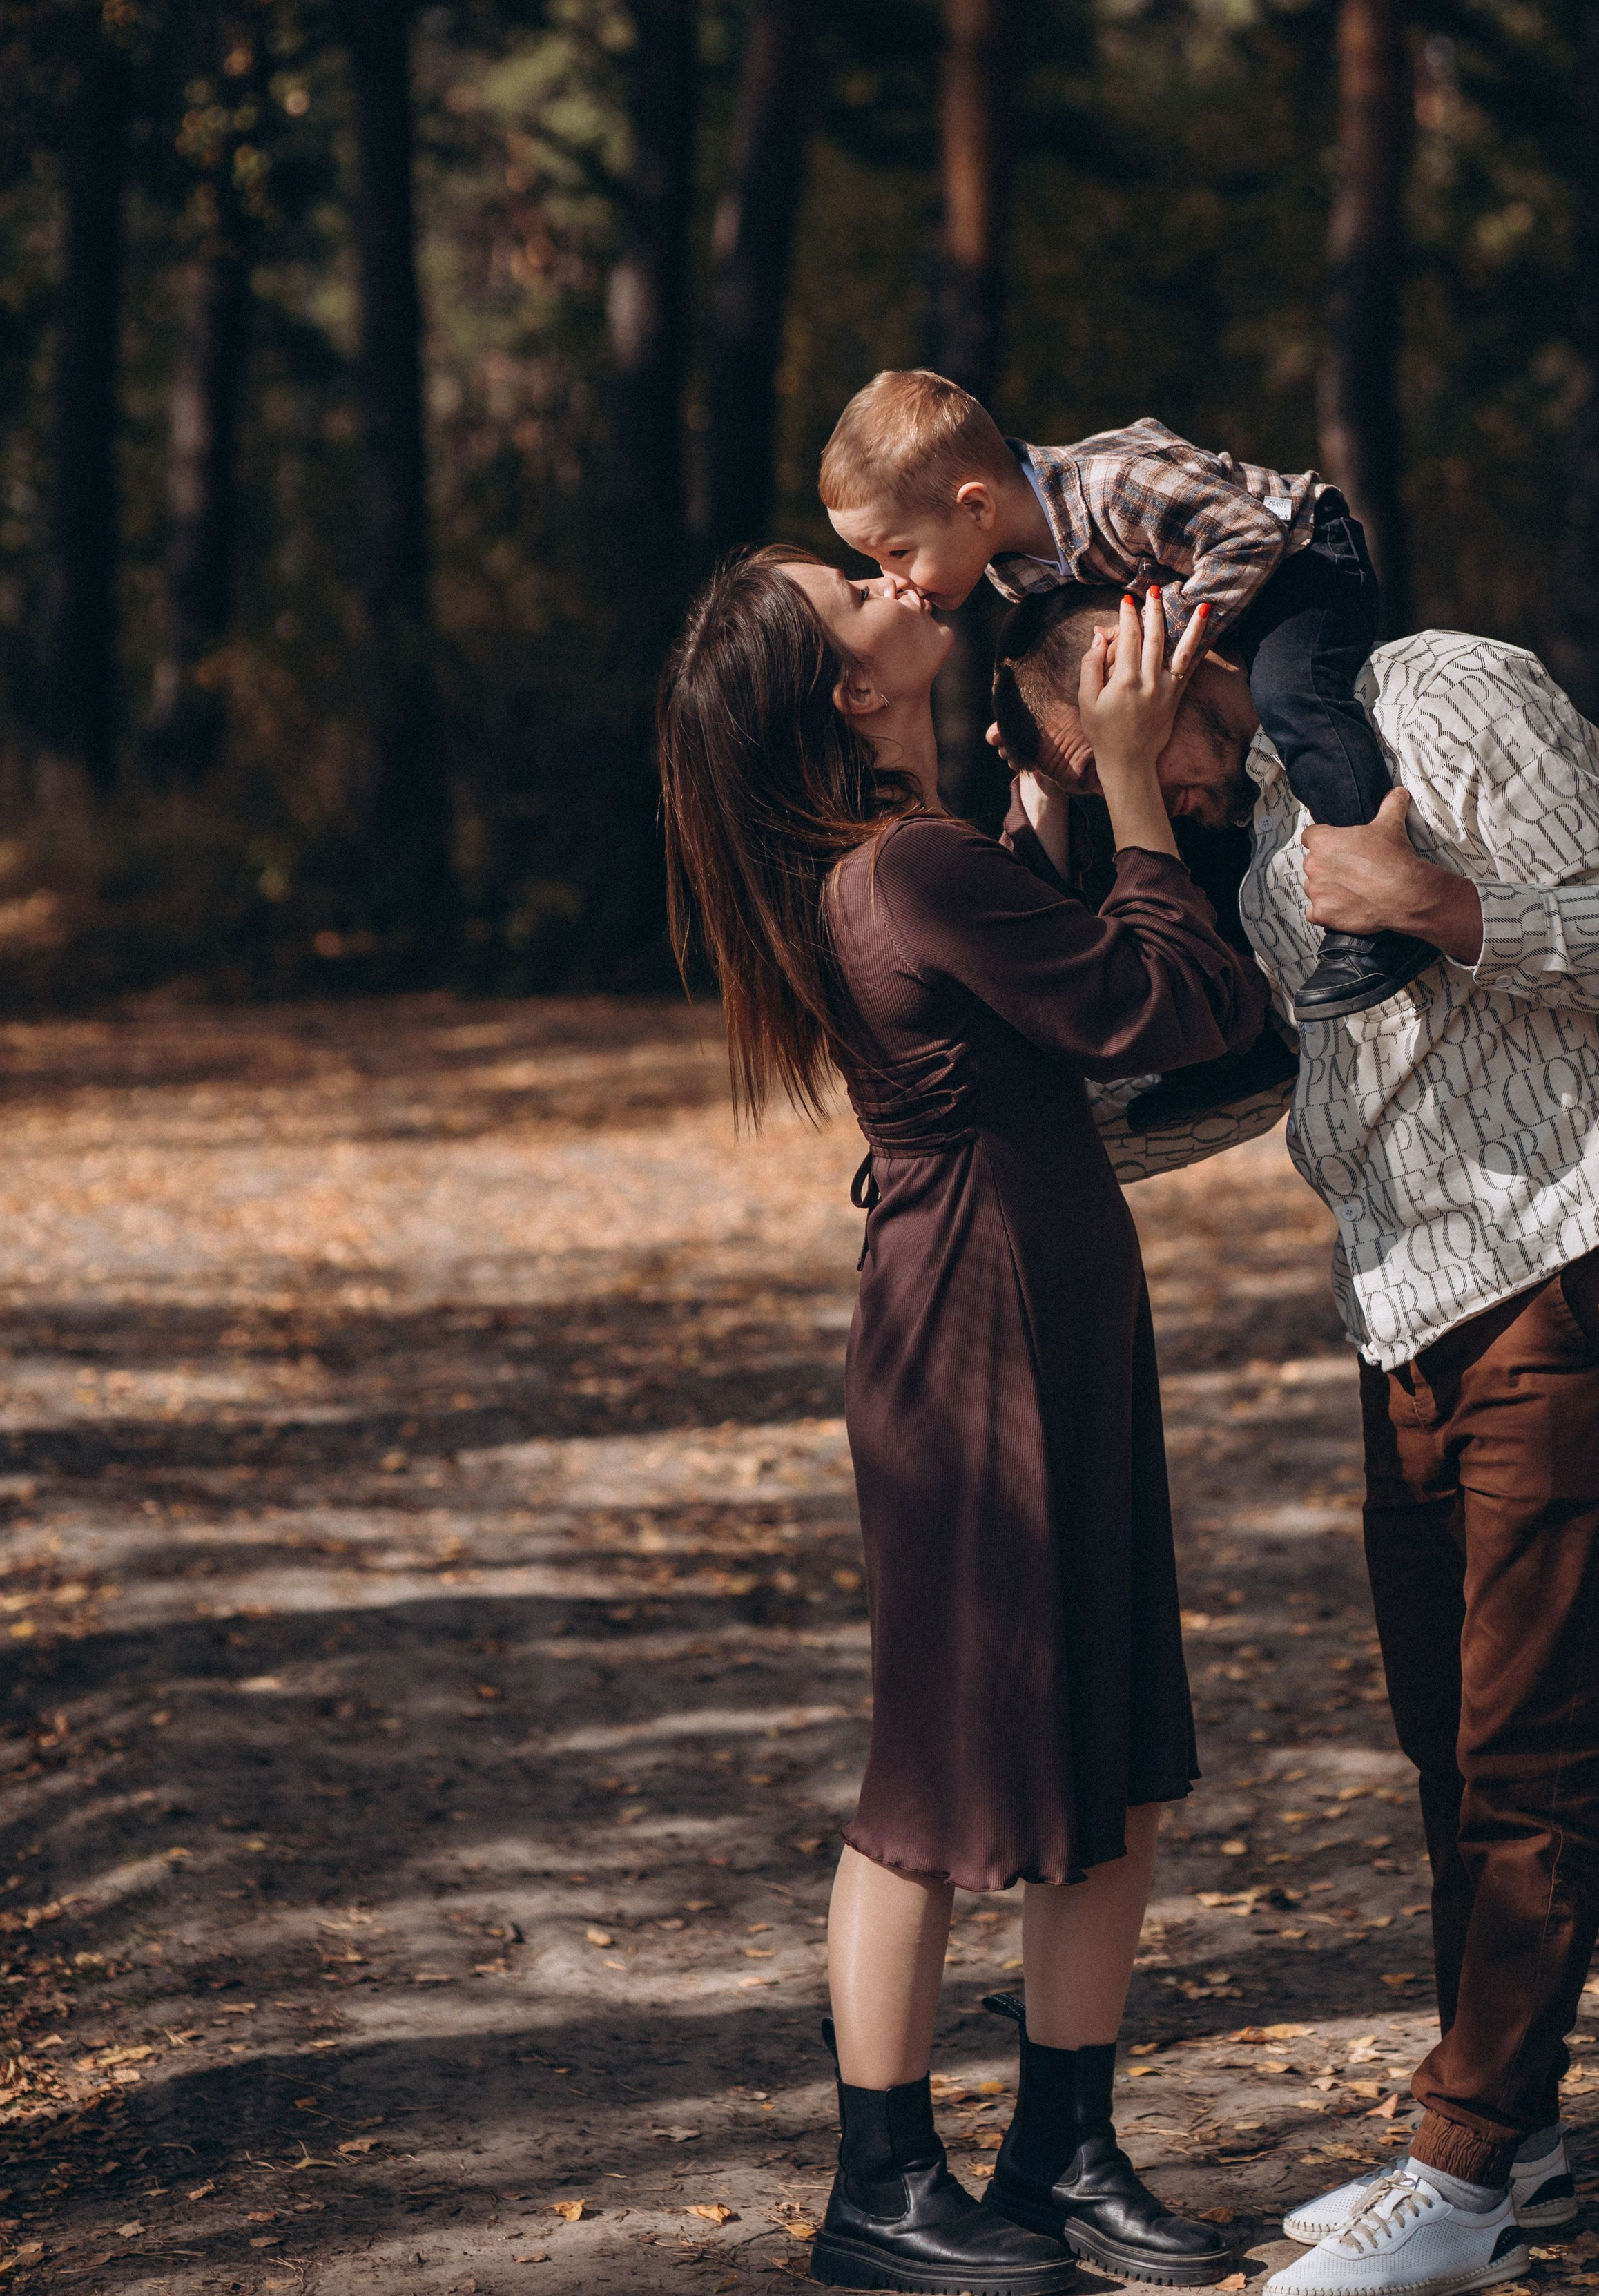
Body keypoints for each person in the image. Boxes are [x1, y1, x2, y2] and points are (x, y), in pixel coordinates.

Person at [990, 593, 1599, 2296]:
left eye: (1141, 752)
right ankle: (1513, 2140)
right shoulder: (1254, 821)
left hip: (1566, 1246)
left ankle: (1461, 2167)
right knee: (1446, 1732)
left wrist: (1430, 900)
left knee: (1528, 1739)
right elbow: (1252, 1077)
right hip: (1402, 1298)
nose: (1158, 797)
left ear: (1166, 650)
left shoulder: (1447, 690)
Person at [658, 551, 1267, 2294]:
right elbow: (1167, 1002)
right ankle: (881, 2179)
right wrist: (1140, 779)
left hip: (1042, 1300)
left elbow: (1092, 981)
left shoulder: (937, 850)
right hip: (974, 1323)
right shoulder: (902, 867)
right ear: (848, 690)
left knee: (1113, 1738)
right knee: (937, 1763)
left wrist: (1074, 780)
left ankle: (1062, 2146)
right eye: (843, 587)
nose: (882, 573)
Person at [819, 365, 1435, 1021]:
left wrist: (1159, 633)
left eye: (897, 553)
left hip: (1303, 553)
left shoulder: (1115, 490)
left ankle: (1380, 904)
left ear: (975, 506)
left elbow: (1251, 535)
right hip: (1230, 589)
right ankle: (1238, 1017)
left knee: (1292, 698)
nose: (895, 581)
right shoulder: (1011, 567)